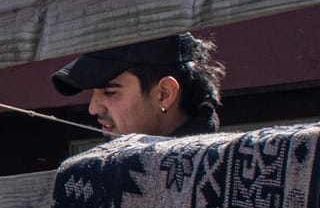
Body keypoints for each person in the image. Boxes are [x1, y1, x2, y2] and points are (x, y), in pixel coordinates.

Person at [51, 31, 226, 137]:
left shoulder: (222, 172)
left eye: (110, 91)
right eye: (93, 92)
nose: (93, 108)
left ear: (164, 94)